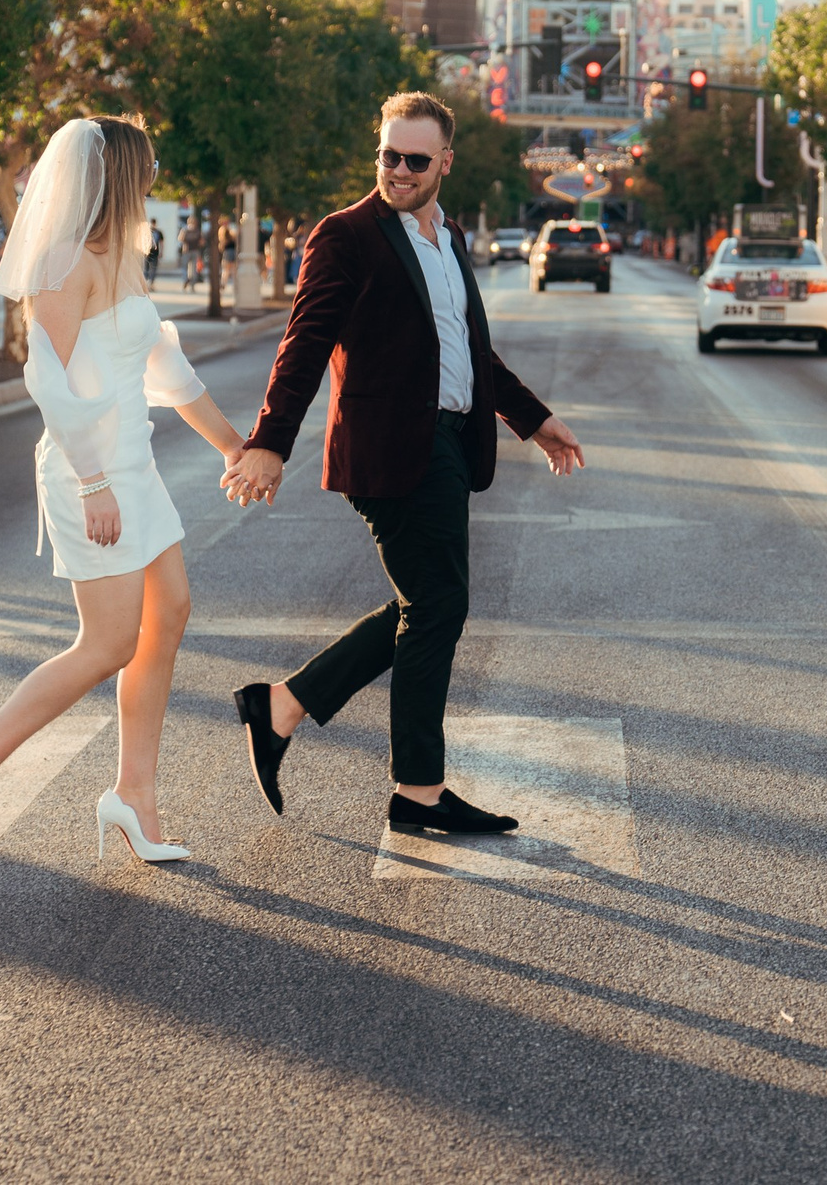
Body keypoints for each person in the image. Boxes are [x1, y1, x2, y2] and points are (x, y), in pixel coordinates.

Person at [223, 92, 586, 836]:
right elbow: (304, 343)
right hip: (389, 447)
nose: (399, 170)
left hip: (448, 442)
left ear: (445, 162)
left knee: (430, 602)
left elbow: (470, 350)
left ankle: (283, 706)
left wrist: (534, 419)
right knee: (437, 604)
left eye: (416, 160)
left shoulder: (449, 237)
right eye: (389, 155)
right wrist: (269, 440)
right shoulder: (347, 235)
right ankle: (416, 790)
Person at [0, 116, 249, 865]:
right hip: (87, 470)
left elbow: (166, 370)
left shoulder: (121, 255)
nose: (154, 177)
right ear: (118, 174)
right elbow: (48, 380)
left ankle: (134, 794)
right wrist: (93, 481)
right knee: (108, 642)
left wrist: (232, 444)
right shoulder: (64, 263)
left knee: (169, 614)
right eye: (147, 166)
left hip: (136, 465)